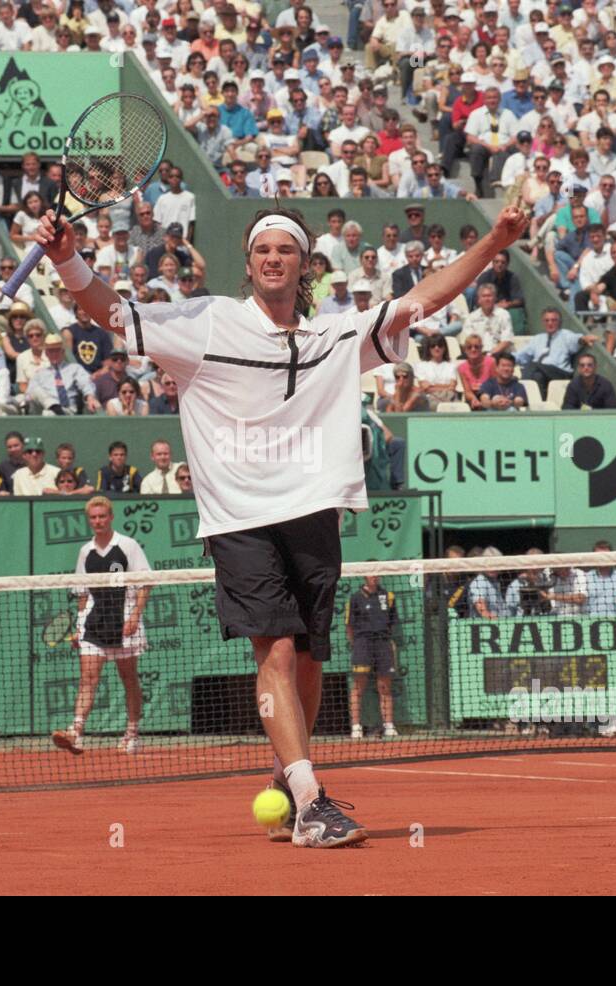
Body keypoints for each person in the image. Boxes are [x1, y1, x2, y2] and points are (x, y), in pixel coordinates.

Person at [31, 199, 528, 848]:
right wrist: (66, 257)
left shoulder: (336, 334)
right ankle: (312, 801)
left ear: (305, 266)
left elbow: (422, 300)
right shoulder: (206, 323)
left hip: (315, 513)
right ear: (249, 262)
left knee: (311, 659)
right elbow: (112, 313)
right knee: (278, 649)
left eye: (285, 250)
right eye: (263, 249)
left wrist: (495, 239)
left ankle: (290, 785)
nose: (273, 258)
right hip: (241, 520)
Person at [53, 496, 152, 756]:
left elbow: (146, 583)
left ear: (110, 517)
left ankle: (132, 734)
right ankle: (75, 731)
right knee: (87, 678)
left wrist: (134, 617)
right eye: (93, 518)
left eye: (102, 516)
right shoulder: (86, 551)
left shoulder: (128, 546)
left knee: (129, 679)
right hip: (94, 622)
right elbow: (82, 592)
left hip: (124, 620)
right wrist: (79, 625)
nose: (98, 521)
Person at [346, 575, 399, 740]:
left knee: (385, 686)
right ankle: (356, 727)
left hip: (383, 643)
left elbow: (391, 623)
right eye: (372, 573)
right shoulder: (355, 598)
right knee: (358, 687)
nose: (375, 576)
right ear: (365, 576)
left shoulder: (388, 597)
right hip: (363, 643)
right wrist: (357, 644)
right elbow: (349, 626)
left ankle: (389, 726)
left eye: (378, 573)